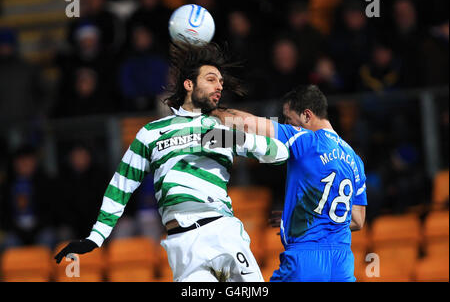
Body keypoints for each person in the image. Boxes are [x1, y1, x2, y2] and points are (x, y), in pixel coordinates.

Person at [54, 41, 290, 282]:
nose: (219, 86)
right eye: (211, 79)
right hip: (183, 246)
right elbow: (120, 185)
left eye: (220, 81)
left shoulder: (218, 127)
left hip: (222, 232)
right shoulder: (151, 132)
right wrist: (96, 236)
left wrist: (235, 138)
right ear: (189, 84)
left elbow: (279, 153)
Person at [211, 85, 367, 282]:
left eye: (288, 119)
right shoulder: (355, 160)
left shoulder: (306, 139)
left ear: (307, 116)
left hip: (305, 260)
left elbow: (248, 125)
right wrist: (305, 216)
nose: (285, 124)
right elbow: (358, 220)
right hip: (342, 263)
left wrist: (211, 110)